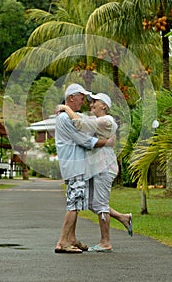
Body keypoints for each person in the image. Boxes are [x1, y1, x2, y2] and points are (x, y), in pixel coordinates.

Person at [56, 92, 132, 253]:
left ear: (104, 105)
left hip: (105, 167)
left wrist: (64, 107)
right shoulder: (95, 120)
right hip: (94, 168)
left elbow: (79, 123)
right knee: (91, 204)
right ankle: (123, 218)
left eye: (95, 102)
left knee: (100, 204)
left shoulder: (106, 121)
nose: (91, 105)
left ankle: (106, 242)